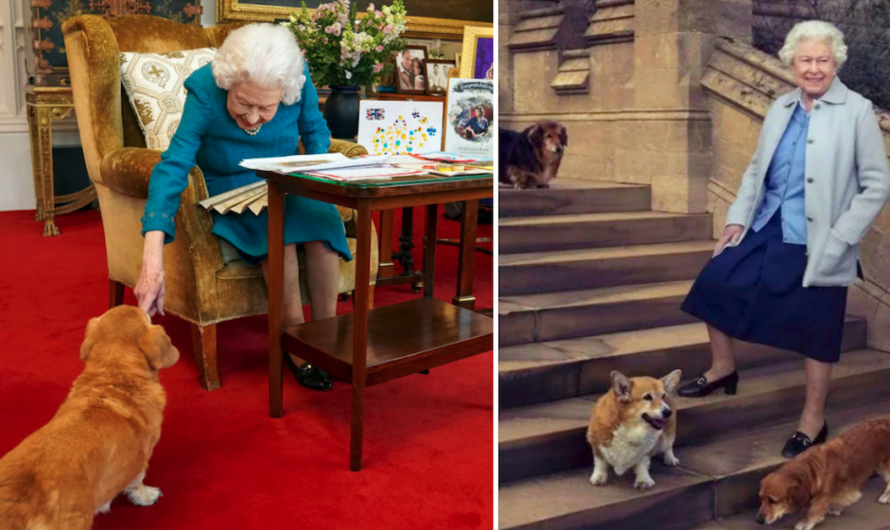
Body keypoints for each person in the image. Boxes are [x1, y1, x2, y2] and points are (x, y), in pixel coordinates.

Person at [678, 20, 890, 457]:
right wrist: (737, 219)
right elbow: (757, 168)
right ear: (792, 63)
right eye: (805, 60)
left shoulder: (857, 111)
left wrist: (842, 237)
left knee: (817, 327)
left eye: (822, 60)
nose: (813, 69)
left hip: (820, 238)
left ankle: (813, 419)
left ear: (836, 63)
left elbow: (877, 185)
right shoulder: (780, 107)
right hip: (767, 223)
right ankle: (723, 369)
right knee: (715, 282)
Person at [135, 23, 351, 392]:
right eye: (243, 103)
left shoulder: (296, 78)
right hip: (230, 183)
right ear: (228, 82)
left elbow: (315, 134)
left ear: (284, 91)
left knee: (323, 233)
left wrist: (319, 182)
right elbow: (174, 164)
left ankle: (325, 339)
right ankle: (296, 343)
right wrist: (152, 258)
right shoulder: (205, 87)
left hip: (287, 178)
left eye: (266, 108)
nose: (253, 118)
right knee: (278, 237)